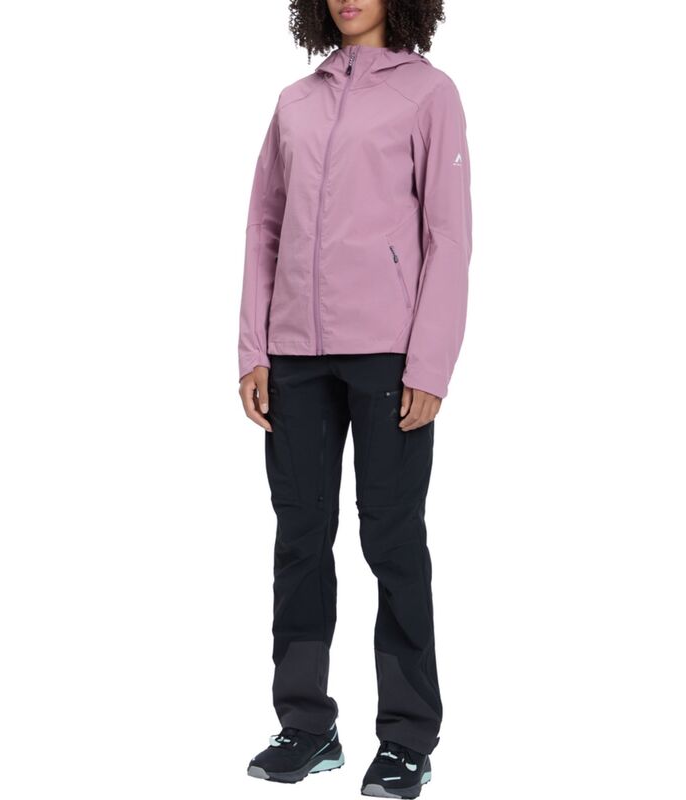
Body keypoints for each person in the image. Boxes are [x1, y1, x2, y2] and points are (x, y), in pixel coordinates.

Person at [237, 1, 472, 796]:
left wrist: (430, 363)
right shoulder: (295, 102)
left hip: (388, 355)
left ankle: (407, 736)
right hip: (294, 357)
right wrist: (254, 349)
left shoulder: (428, 93)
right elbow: (263, 228)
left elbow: (448, 236)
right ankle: (307, 724)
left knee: (392, 539)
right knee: (300, 539)